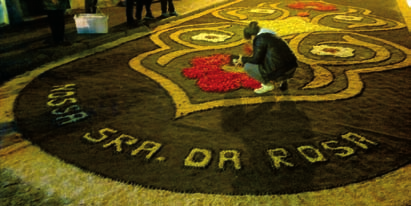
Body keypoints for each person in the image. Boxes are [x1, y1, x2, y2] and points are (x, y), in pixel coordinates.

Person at [234, 21, 298, 94]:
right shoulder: (269, 33)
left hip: (279, 70)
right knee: (276, 58)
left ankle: (267, 85)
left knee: (248, 66)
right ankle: (283, 80)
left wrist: (243, 59)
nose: (251, 41)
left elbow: (256, 60)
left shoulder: (259, 39)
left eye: (250, 39)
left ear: (252, 36)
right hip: (292, 66)